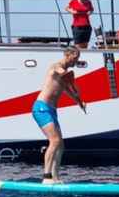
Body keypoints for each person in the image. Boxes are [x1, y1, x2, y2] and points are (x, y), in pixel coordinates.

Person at [32, 46, 87, 183]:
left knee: (60, 144)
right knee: (55, 141)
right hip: (41, 108)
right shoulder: (56, 67)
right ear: (67, 55)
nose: (76, 61)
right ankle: (46, 177)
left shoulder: (66, 74)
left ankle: (55, 177)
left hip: (51, 110)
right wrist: (72, 82)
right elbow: (65, 75)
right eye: (75, 58)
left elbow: (68, 90)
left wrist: (79, 102)